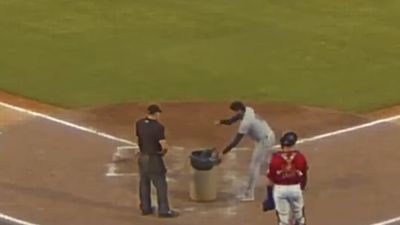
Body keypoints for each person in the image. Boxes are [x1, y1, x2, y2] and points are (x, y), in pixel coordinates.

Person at [215, 101, 276, 201]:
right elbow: (233, 119)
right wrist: (222, 122)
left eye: (236, 111)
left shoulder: (246, 123)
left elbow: (235, 142)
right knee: (266, 162)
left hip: (264, 141)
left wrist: (223, 153)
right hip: (268, 135)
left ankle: (249, 194)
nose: (235, 114)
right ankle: (278, 176)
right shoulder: (248, 110)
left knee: (254, 165)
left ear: (240, 110)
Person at [135, 104, 179, 218]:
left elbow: (139, 139)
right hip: (154, 158)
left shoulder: (139, 123)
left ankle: (145, 208)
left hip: (142, 157)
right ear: (156, 113)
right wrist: (163, 153)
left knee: (144, 182)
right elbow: (164, 145)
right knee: (161, 184)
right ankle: (164, 210)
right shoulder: (158, 127)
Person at [266, 131, 308, 225]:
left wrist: (269, 197)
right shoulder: (300, 157)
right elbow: (304, 176)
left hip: (280, 189)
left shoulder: (275, 159)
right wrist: (301, 188)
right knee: (300, 218)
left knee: (283, 221)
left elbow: (270, 181)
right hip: (295, 188)